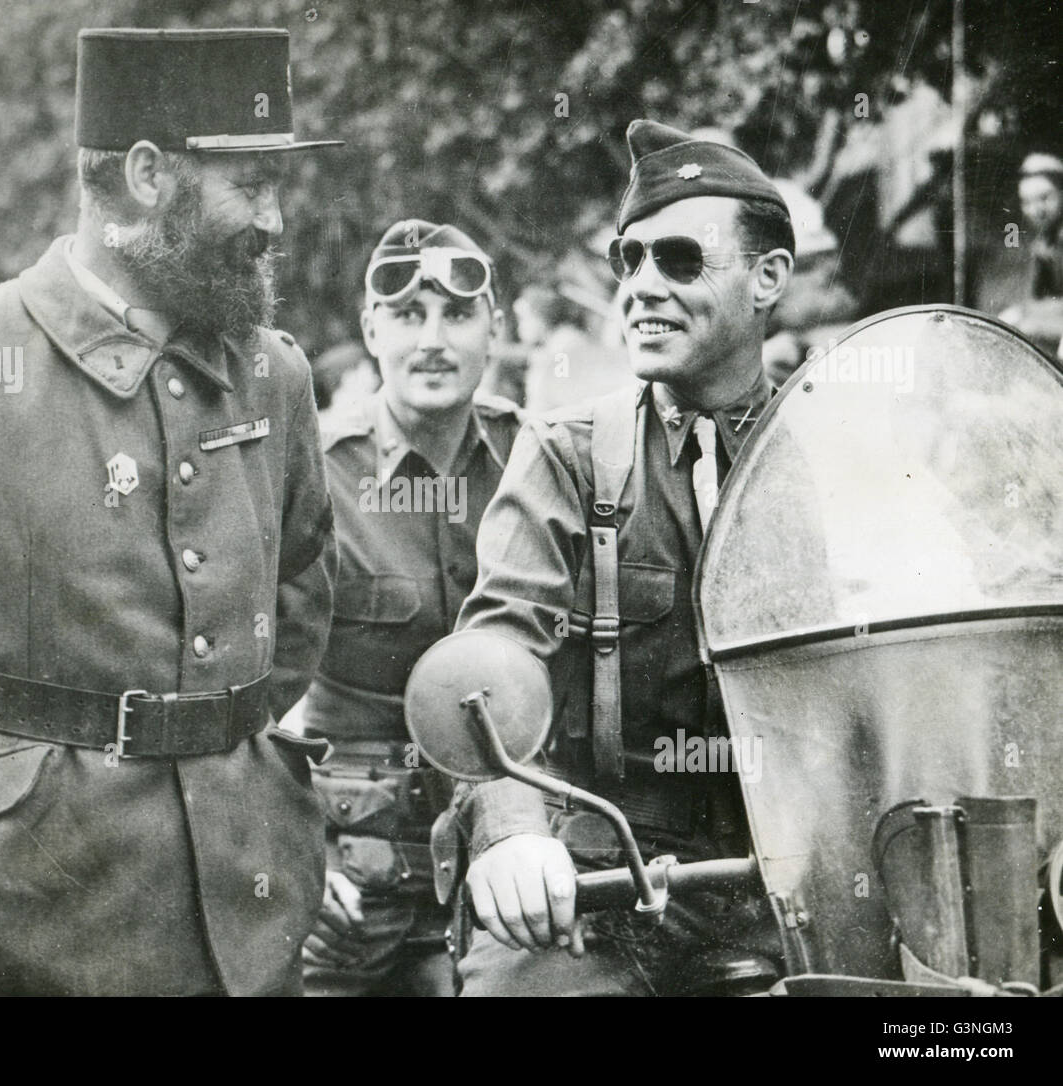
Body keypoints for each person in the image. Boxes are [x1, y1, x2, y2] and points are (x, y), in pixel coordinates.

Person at [0, 27, 342, 997]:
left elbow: (298, 589)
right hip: (10, 937)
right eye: (251, 185)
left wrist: (222, 779)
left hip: (242, 934)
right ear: (147, 175)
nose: (277, 220)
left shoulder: (271, 373)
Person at [444, 120, 796, 995]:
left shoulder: (826, 447)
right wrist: (516, 834)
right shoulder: (567, 453)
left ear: (769, 278)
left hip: (795, 871)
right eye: (627, 261)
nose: (640, 288)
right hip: (604, 875)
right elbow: (498, 657)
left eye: (678, 260)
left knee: (955, 1022)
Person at [288, 220, 524, 996]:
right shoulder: (317, 476)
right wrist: (290, 855)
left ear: (496, 327)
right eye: (407, 316)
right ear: (369, 330)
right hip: (352, 874)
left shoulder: (539, 464)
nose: (433, 340)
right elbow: (240, 689)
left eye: (457, 315)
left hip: (502, 854)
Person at [517, 282, 630, 412]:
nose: (520, 326)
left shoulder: (565, 345)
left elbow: (561, 396)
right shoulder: (550, 347)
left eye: (524, 318)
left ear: (541, 316)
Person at [1000, 152, 1063, 355]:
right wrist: (1020, 313)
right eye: (1027, 202)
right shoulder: (1043, 244)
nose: (1037, 210)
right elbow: (1040, 298)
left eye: (1045, 198)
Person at [311, 340, 380, 430]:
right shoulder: (323, 426)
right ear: (349, 377)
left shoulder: (318, 423)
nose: (376, 379)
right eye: (369, 371)